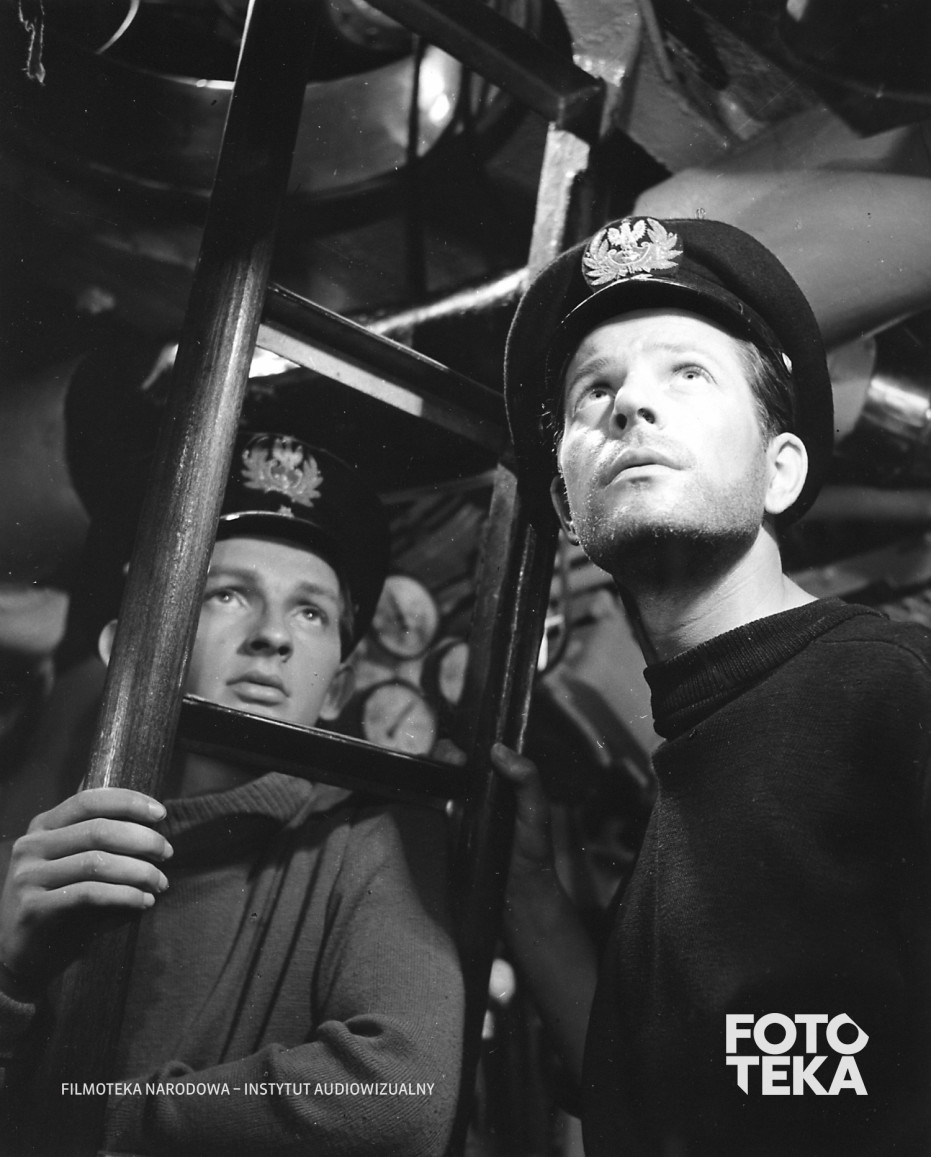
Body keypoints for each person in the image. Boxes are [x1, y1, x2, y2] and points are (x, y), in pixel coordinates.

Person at [496, 215, 931, 1156]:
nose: (629, 405)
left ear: (780, 472)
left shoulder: (893, 692)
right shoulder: (688, 778)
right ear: (567, 508)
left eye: (687, 374)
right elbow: (651, 1095)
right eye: (595, 388)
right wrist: (526, 889)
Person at [0, 429, 464, 1156]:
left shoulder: (371, 841)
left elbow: (401, 1100)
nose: (273, 635)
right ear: (128, 645)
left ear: (337, 685)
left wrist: (90, 1121)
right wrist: (7, 978)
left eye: (311, 612)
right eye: (227, 593)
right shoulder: (45, 853)